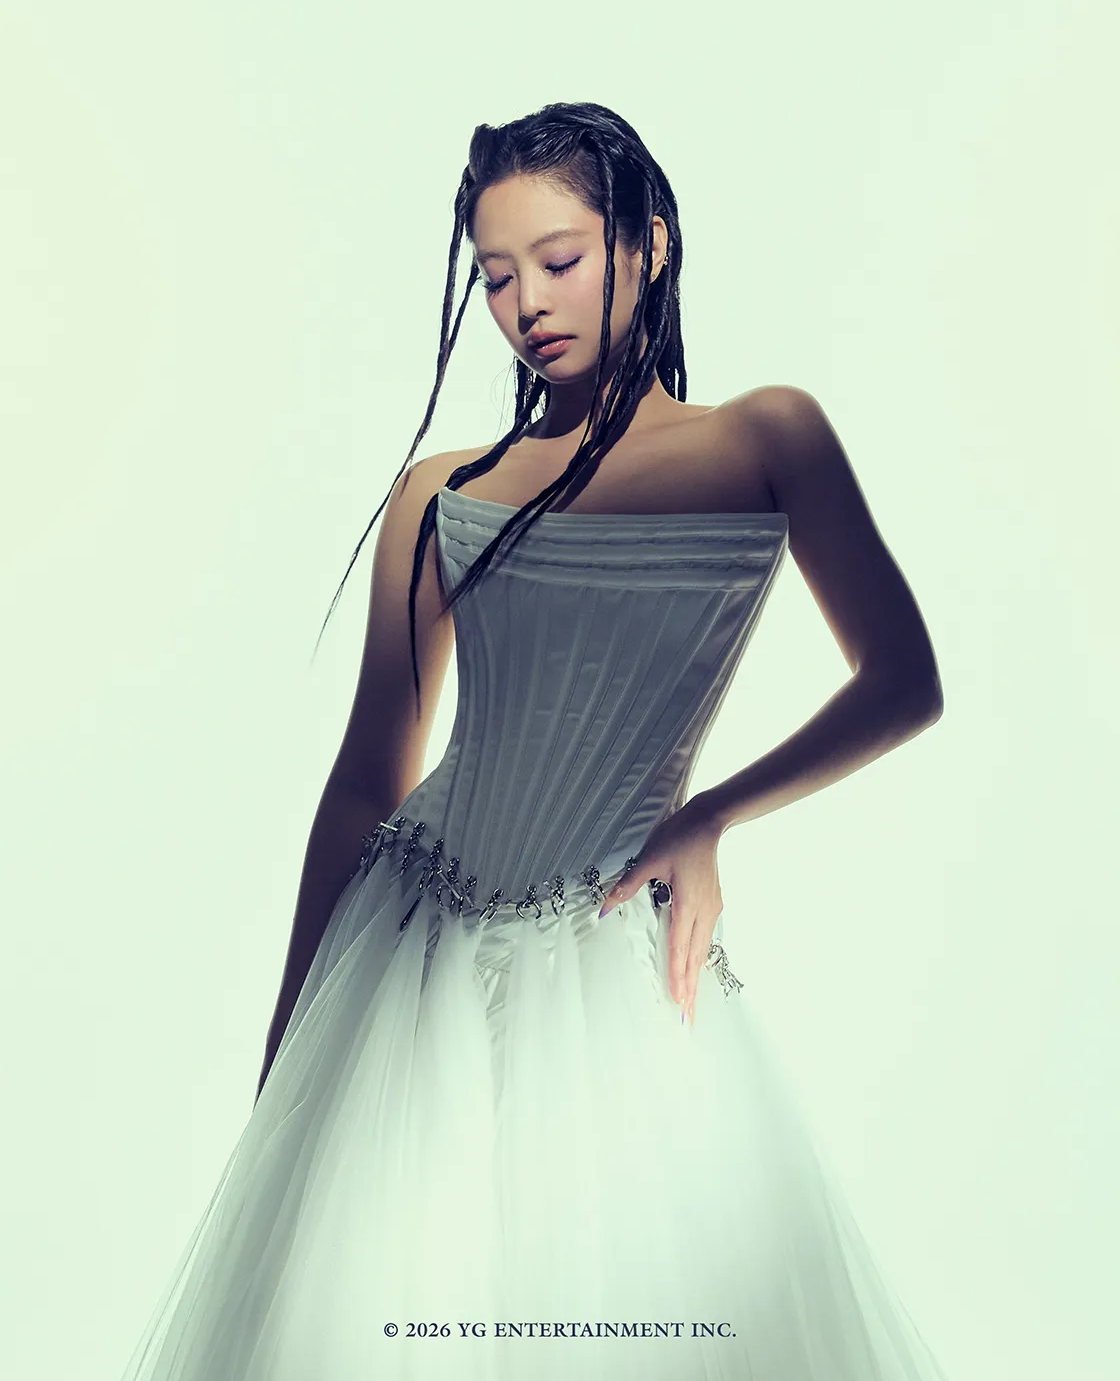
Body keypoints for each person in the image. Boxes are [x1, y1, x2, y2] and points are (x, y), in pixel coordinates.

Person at [118, 101, 950, 1380]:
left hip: (612, 962)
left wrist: (705, 815)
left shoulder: (764, 436)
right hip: (405, 961)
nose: (524, 304)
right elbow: (365, 777)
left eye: (557, 261)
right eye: (496, 275)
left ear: (648, 244)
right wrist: (286, 1038)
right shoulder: (442, 493)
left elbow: (903, 680)